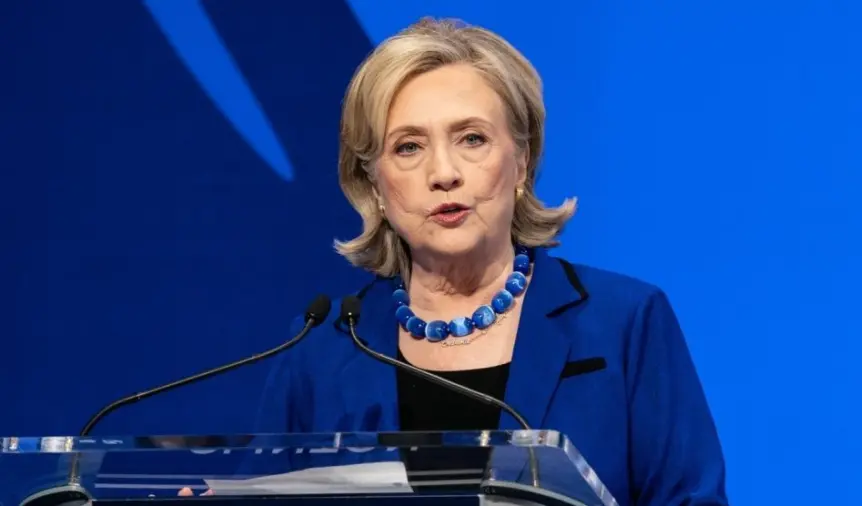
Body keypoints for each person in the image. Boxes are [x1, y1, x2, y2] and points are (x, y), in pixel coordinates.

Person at [184, 17, 727, 505]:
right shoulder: (323, 350)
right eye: (408, 147)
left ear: (521, 161)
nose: (443, 172)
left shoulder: (622, 323)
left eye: (471, 138)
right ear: (373, 183)